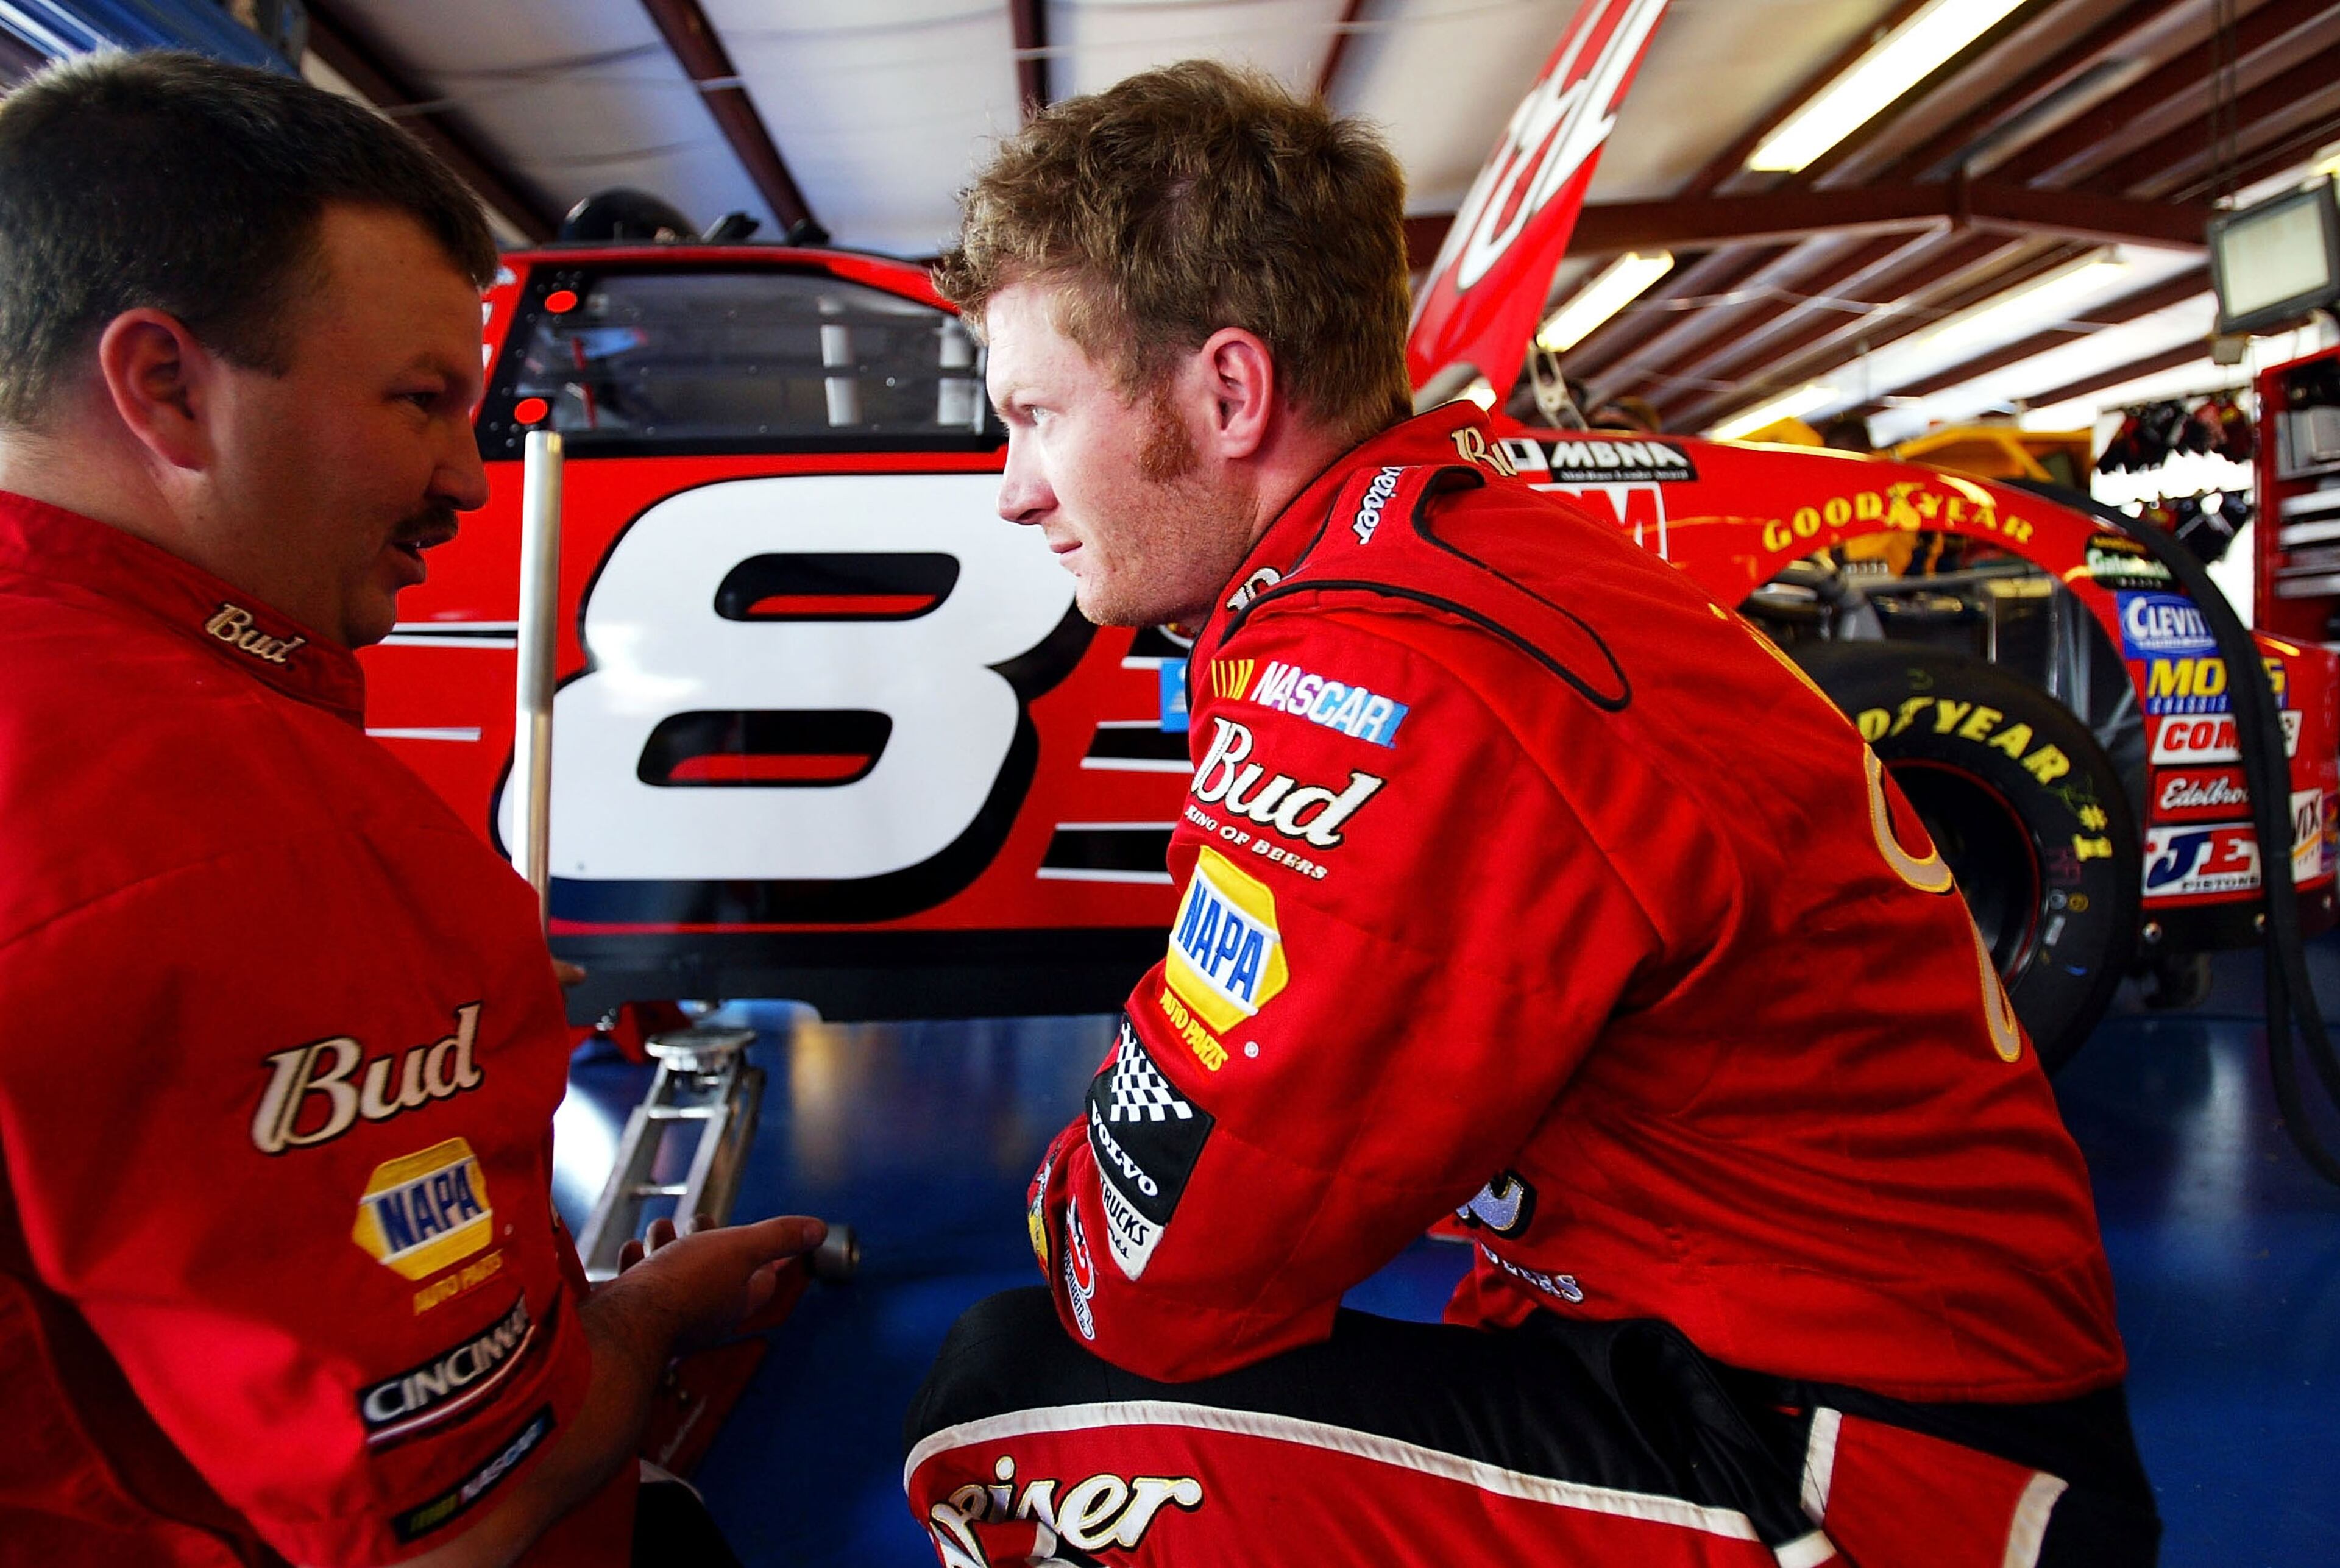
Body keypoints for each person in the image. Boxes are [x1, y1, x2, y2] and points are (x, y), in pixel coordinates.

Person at [902, 61, 2158, 1567]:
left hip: (1889, 1468)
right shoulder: (1445, 552)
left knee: (1007, 1417)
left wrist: (1068, 1196)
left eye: (1035, 417)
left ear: (1228, 391)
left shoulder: (1388, 664)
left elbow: (1156, 1268)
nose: (1012, 491)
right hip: (1777, 1355)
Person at [0, 52, 820, 1568]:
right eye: (424, 401)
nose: (466, 470)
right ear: (166, 386)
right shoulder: (231, 822)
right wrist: (634, 1333)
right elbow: (448, 1514)